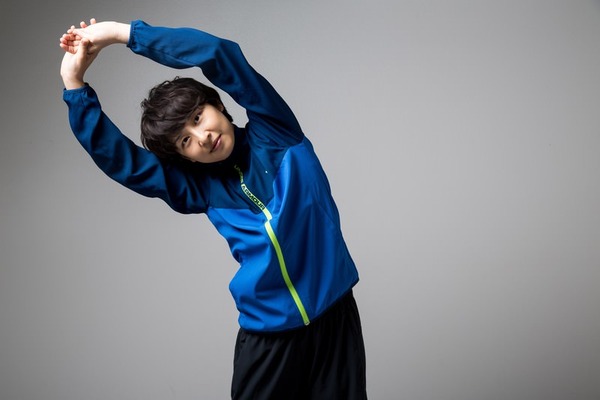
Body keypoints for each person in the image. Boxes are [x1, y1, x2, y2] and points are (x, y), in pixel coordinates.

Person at [59, 18, 367, 399]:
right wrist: (74, 85)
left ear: (218, 104)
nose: (202, 137)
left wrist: (122, 34)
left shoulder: (277, 131)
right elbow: (125, 163)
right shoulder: (201, 190)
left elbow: (217, 54)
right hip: (269, 337)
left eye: (197, 117)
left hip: (335, 316)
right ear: (184, 158)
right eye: (185, 141)